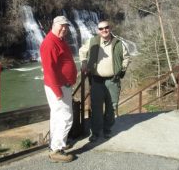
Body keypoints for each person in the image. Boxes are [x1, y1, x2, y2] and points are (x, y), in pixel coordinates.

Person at [79, 20, 130, 142]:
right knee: (96, 107)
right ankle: (96, 132)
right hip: (96, 80)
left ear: (110, 28)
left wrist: (121, 70)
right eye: (101, 29)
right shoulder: (92, 41)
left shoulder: (118, 43)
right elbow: (82, 51)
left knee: (111, 106)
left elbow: (127, 57)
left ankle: (107, 129)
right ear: (98, 30)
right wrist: (84, 63)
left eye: (106, 27)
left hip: (112, 80)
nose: (104, 30)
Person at [40, 16, 77, 162]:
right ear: (54, 25)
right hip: (58, 87)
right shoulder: (49, 43)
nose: (64, 28)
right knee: (66, 117)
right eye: (61, 26)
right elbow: (49, 70)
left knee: (57, 116)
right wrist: (57, 91)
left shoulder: (59, 40)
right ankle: (57, 150)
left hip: (62, 85)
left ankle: (54, 144)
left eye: (66, 26)